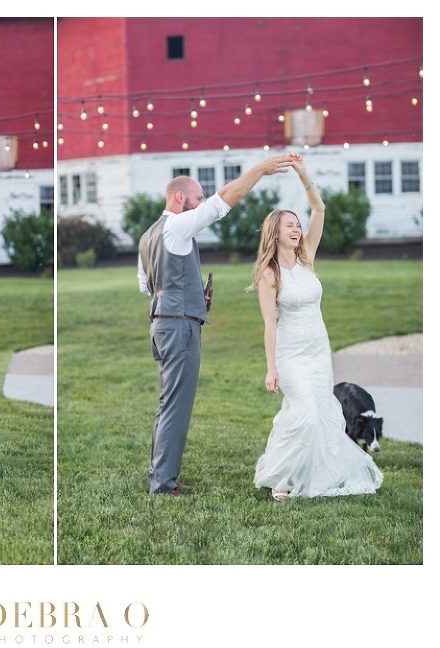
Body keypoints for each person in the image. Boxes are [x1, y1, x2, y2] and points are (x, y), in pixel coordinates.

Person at [138, 153, 295, 496]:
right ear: (180, 198)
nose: (199, 204)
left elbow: (148, 285)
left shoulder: (148, 236)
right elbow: (221, 202)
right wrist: (260, 171)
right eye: (195, 198)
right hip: (179, 329)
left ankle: (163, 476)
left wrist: (194, 296)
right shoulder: (178, 225)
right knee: (176, 406)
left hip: (163, 324)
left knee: (169, 404)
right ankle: (163, 485)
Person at [248, 153, 383, 501]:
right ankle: (281, 476)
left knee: (323, 414)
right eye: (289, 225)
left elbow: (319, 210)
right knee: (304, 415)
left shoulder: (306, 255)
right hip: (291, 353)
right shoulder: (269, 274)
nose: (296, 229)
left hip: (318, 350)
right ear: (274, 233)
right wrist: (271, 368)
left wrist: (303, 173)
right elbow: (268, 323)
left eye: (297, 224)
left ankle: (312, 473)